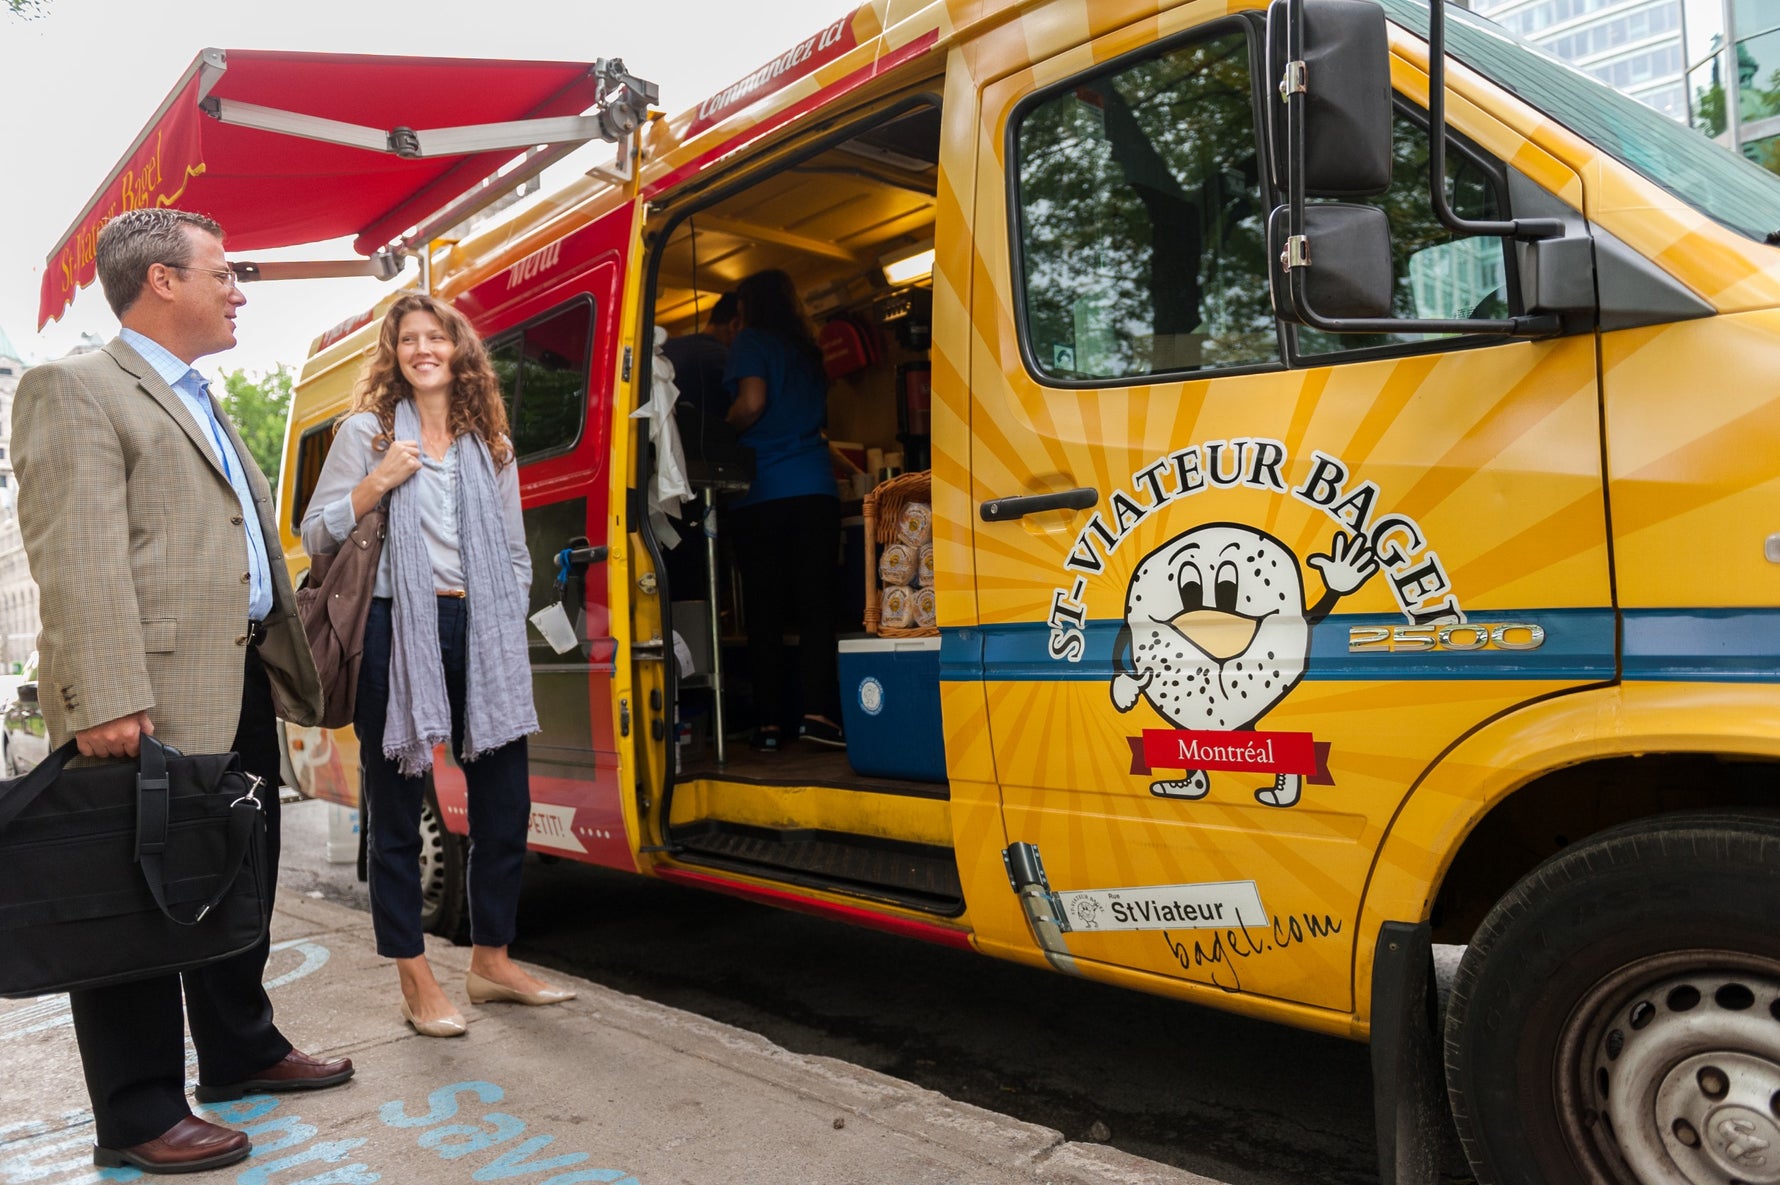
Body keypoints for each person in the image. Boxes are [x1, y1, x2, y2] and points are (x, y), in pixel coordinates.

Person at [13, 208, 346, 1174]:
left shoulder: (201, 397)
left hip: (233, 672)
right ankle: (139, 1108)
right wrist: (106, 692)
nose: (238, 291)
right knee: (136, 898)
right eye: (224, 273)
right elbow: (75, 554)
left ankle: (242, 1049)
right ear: (162, 280)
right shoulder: (73, 387)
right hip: (144, 695)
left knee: (238, 868)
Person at [301, 292, 573, 1041]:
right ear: (394, 354)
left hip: (480, 626)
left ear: (459, 351)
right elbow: (315, 529)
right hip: (396, 622)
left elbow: (516, 550)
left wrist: (506, 609)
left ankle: (491, 960)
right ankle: (415, 978)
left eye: (436, 337)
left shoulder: (490, 441)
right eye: (408, 338)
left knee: (504, 804)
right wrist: (378, 479)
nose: (424, 348)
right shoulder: (367, 431)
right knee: (395, 808)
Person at [723, 269, 844, 752]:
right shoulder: (808, 351)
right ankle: (817, 716)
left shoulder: (751, 341)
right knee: (817, 607)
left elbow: (751, 402)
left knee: (765, 611)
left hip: (764, 492)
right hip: (815, 487)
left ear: (748, 307)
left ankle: (770, 724)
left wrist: (723, 426)